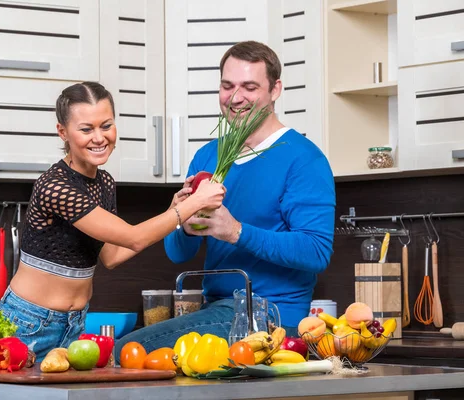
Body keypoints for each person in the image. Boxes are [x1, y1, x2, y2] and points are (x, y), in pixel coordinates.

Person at [115, 41, 335, 358]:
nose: (235, 97)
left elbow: (316, 252)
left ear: (275, 90)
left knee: (129, 351)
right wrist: (181, 220)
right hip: (217, 308)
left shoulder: (304, 159)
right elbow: (178, 254)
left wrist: (235, 231)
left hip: (272, 318)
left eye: (249, 87)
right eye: (227, 85)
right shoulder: (207, 157)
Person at [0, 81, 226, 361]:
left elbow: (113, 255)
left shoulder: (103, 182)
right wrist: (194, 204)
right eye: (86, 129)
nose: (99, 137)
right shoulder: (54, 187)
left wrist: (174, 208)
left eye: (106, 125)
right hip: (27, 323)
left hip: (74, 324)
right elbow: (134, 237)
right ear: (62, 132)